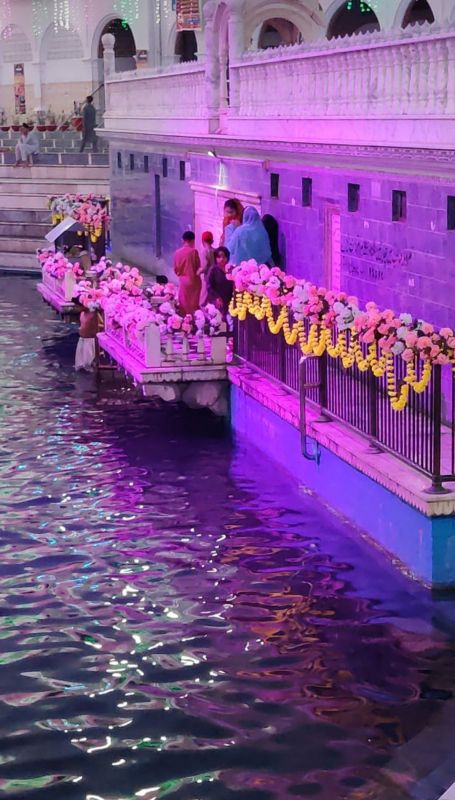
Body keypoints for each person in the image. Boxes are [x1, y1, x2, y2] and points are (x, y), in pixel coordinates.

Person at [174, 231, 202, 314]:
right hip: (194, 281)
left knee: (183, 304)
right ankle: (193, 323)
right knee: (193, 305)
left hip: (183, 281)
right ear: (193, 240)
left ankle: (184, 323)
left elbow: (176, 269)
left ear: (183, 240)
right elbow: (198, 267)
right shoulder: (193, 252)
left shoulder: (177, 253)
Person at [207, 246, 233, 317]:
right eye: (219, 257)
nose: (221, 259)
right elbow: (209, 287)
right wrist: (217, 298)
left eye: (224, 257)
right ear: (216, 258)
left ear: (227, 258)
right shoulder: (213, 270)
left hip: (230, 302)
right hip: (218, 302)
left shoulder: (231, 269)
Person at [75, 304, 99, 372]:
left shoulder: (93, 314)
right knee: (79, 365)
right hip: (81, 339)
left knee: (88, 363)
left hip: (90, 339)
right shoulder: (82, 313)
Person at [198, 231, 215, 306]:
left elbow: (204, 267)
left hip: (207, 278)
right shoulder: (215, 251)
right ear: (212, 241)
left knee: (202, 301)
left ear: (202, 241)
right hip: (215, 278)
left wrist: (198, 272)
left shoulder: (204, 252)